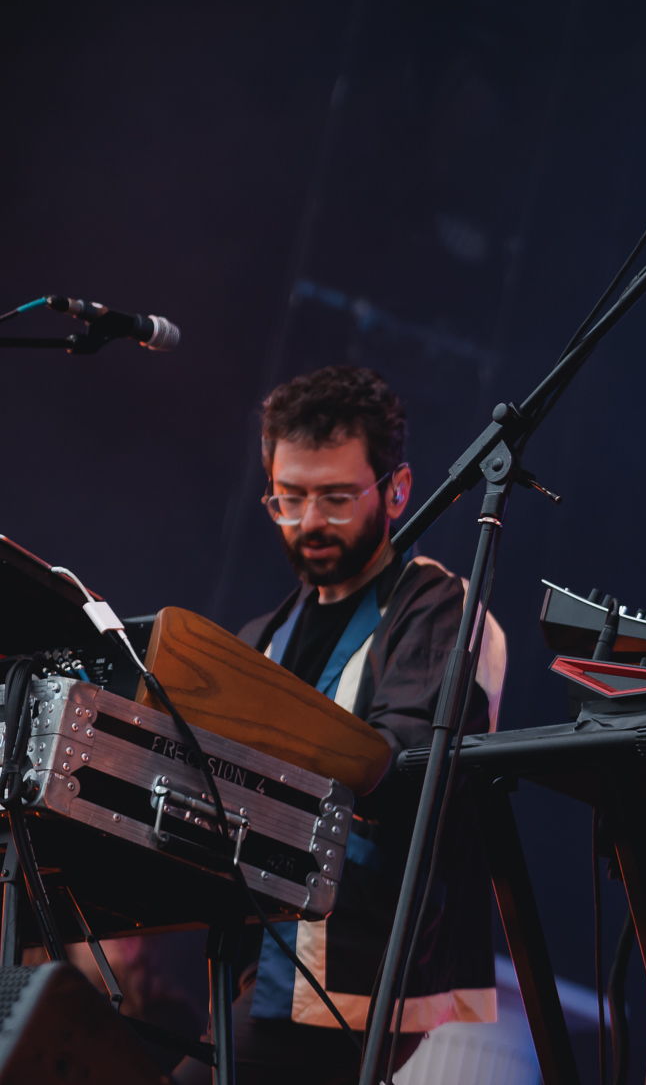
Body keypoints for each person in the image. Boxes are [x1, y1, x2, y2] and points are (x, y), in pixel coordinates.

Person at [188, 366, 506, 1084]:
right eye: (288, 498)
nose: (308, 522)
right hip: (252, 955)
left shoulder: (439, 608)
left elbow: (401, 768)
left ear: (396, 490)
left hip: (355, 969)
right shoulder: (263, 635)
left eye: (335, 498)